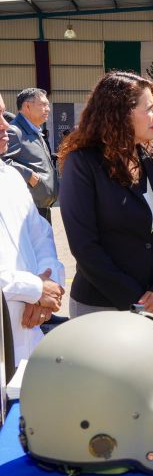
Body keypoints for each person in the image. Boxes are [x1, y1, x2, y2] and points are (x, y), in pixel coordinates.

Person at [57, 73, 153, 322]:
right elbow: (84, 246)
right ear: (120, 113)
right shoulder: (83, 163)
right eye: (149, 109)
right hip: (102, 308)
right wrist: (135, 299)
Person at [0, 94, 65, 364]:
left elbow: (41, 235)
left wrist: (49, 287)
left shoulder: (11, 177)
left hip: (28, 333)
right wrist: (36, 290)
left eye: (4, 115)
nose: (5, 126)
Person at [3, 88, 59, 223]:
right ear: (27, 106)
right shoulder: (14, 131)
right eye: (43, 104)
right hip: (29, 209)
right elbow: (3, 162)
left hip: (41, 206)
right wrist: (30, 176)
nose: (48, 109)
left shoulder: (35, 131)